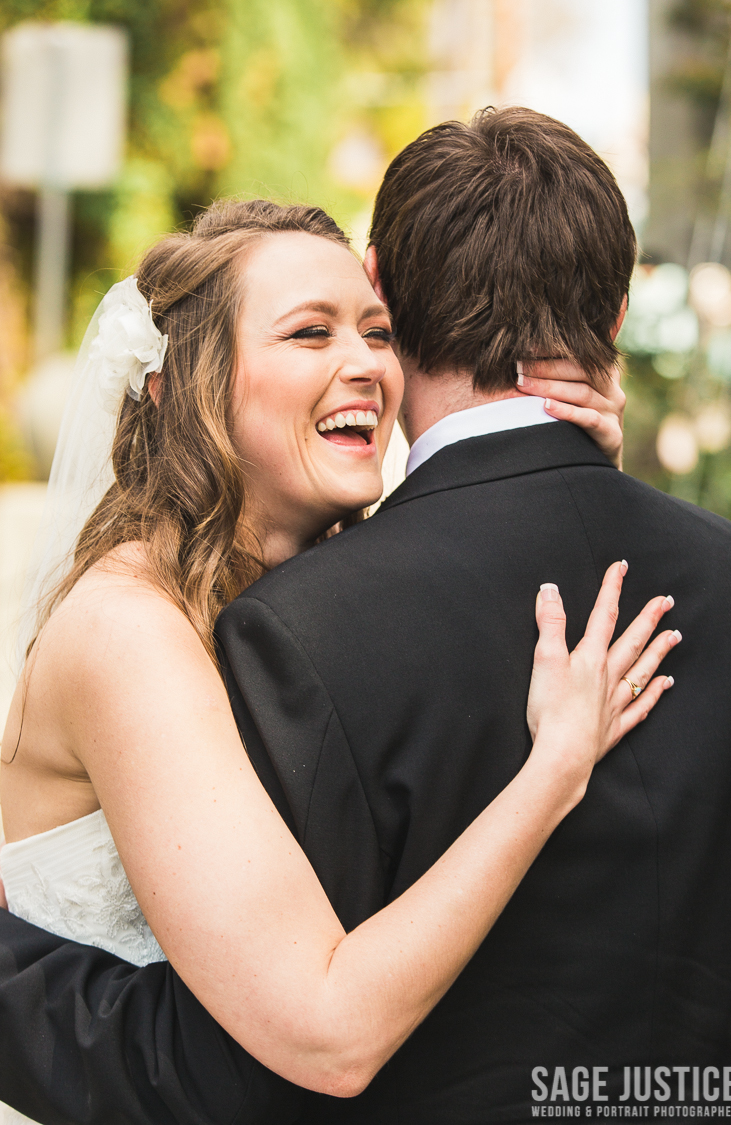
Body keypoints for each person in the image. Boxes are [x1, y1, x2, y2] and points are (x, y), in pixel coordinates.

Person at [0, 193, 672, 1125]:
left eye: (379, 331)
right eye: (310, 333)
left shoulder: (318, 595)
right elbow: (329, 1030)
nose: (364, 364)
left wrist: (563, 477)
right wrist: (551, 770)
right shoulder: (129, 627)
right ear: (181, 382)